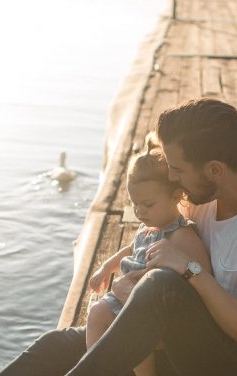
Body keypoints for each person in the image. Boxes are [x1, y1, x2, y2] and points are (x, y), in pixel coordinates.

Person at [0, 98, 237, 376]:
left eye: (177, 169)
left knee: (162, 287)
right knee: (58, 347)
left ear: (215, 169)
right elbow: (162, 234)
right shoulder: (203, 193)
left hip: (235, 365)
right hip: (173, 343)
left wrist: (191, 271)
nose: (171, 177)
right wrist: (124, 267)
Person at [85, 136, 212, 376]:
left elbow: (203, 274)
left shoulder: (181, 235)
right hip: (128, 300)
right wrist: (106, 269)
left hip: (156, 311)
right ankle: (97, 368)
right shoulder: (147, 230)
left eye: (148, 204)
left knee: (136, 336)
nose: (140, 211)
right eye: (135, 204)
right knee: (96, 313)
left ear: (176, 197)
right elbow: (130, 249)